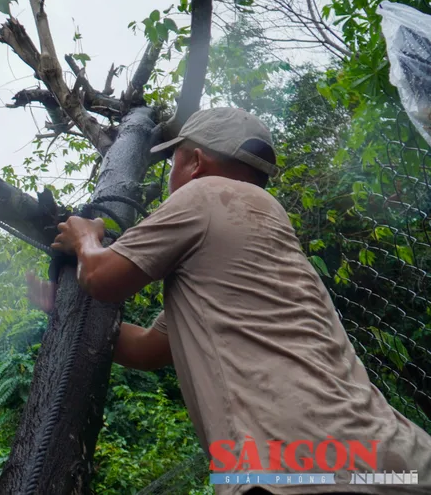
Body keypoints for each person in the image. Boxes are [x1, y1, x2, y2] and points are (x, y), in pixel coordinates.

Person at [27, 107, 431, 494]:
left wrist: (84, 238)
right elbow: (149, 349)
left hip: (301, 462)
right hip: (396, 459)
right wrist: (55, 310)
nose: (172, 176)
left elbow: (100, 278)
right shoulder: (256, 239)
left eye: (173, 163)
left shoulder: (207, 194)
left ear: (195, 162)